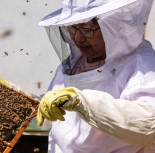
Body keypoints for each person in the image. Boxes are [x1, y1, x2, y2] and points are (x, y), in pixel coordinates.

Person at [36, 0, 155, 152]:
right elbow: (50, 114)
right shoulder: (73, 64)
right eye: (72, 29)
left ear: (114, 26)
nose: (77, 38)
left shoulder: (144, 65)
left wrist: (82, 102)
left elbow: (148, 125)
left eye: (86, 30)